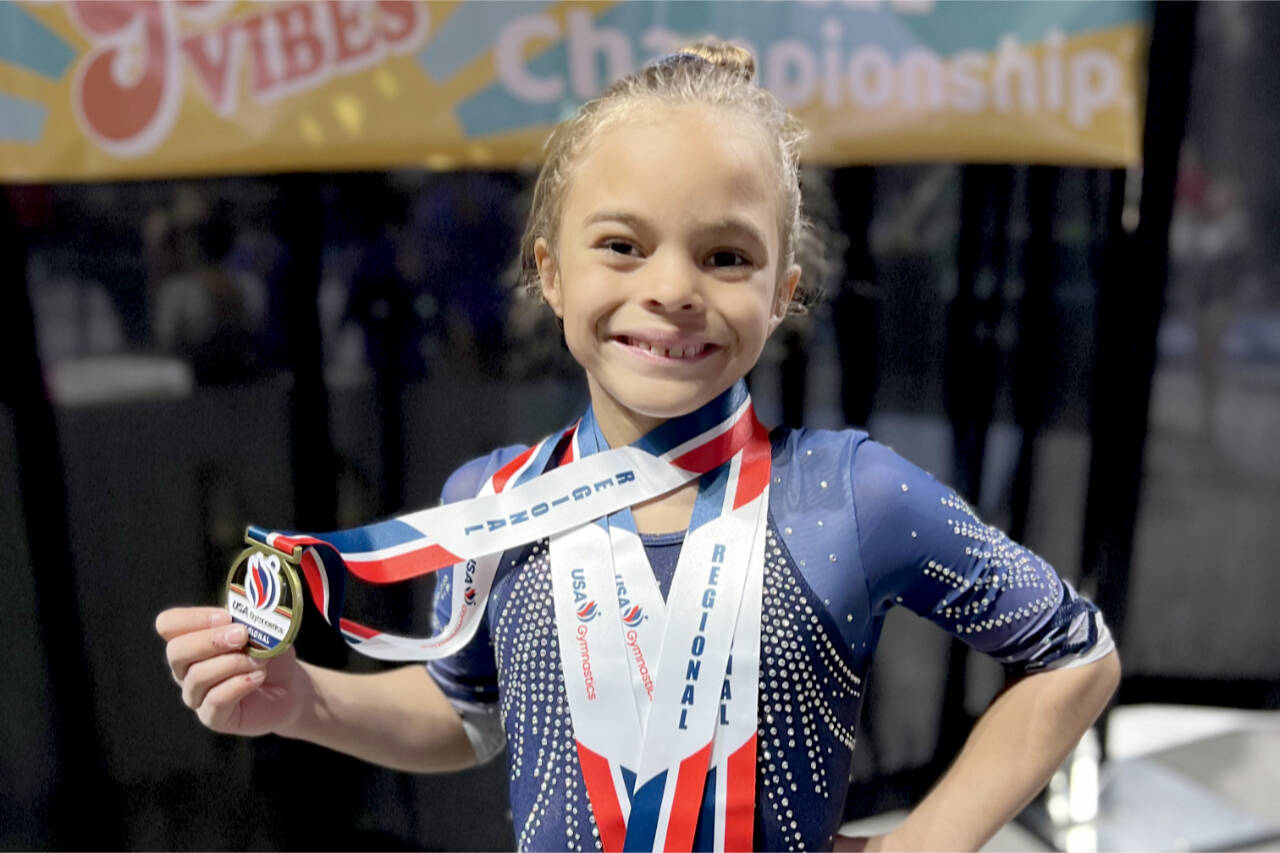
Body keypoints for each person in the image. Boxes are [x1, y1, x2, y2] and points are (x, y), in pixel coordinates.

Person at [156, 43, 1119, 852]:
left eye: (727, 256)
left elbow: (1077, 655)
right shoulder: (494, 499)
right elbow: (467, 716)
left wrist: (923, 842)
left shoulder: (851, 492)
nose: (672, 288)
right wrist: (301, 700)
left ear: (783, 290)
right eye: (622, 244)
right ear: (552, 271)